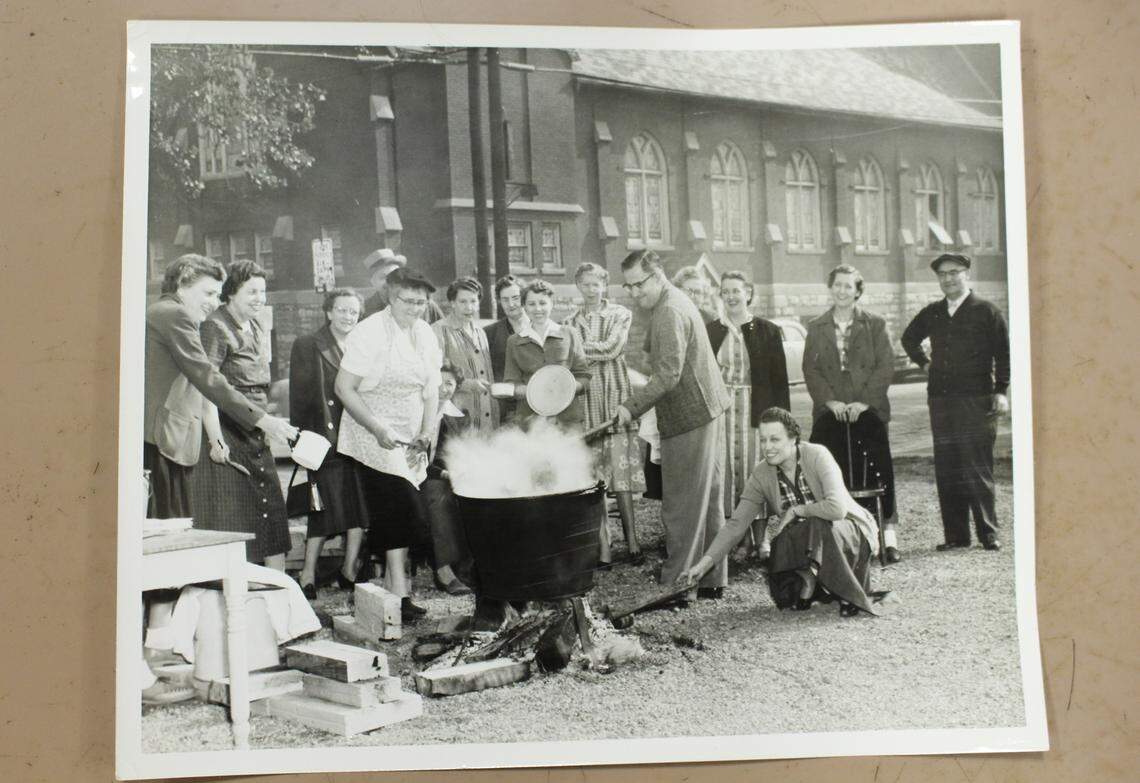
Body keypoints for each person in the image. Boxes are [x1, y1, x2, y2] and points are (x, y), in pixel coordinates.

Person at [142, 254, 298, 704]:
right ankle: (147, 664)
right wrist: (264, 422)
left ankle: (155, 653)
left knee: (166, 544)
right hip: (157, 444)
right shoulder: (172, 314)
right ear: (184, 283)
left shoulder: (172, 314)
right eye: (209, 293)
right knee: (161, 546)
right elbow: (207, 377)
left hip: (168, 441)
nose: (213, 302)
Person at [680, 408, 880, 617]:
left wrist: (797, 510)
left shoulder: (817, 455)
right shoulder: (761, 473)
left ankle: (848, 593)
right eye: (763, 440)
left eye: (775, 440)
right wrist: (702, 566)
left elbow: (837, 509)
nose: (767, 447)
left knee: (816, 524)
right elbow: (736, 524)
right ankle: (811, 578)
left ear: (793, 438)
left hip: (849, 530)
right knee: (784, 570)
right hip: (810, 540)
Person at [615, 250, 731, 601]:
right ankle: (710, 578)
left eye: (639, 284)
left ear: (657, 275)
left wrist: (630, 407)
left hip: (690, 414)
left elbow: (668, 373)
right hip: (707, 408)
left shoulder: (668, 309)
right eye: (628, 287)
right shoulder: (671, 302)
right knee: (707, 499)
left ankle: (677, 586)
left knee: (681, 503)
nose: (635, 293)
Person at [335, 267, 443, 622]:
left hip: (412, 436)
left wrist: (427, 433)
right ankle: (394, 588)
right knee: (405, 508)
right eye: (408, 301)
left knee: (398, 513)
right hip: (373, 432)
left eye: (422, 302)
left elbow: (432, 391)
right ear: (390, 297)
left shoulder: (425, 333)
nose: (415, 308)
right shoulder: (369, 332)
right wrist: (377, 427)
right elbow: (344, 388)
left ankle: (396, 591)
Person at [902, 253, 1010, 552]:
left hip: (976, 400)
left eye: (954, 272)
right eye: (942, 274)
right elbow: (908, 338)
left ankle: (988, 533)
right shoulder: (933, 312)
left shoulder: (987, 312)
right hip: (941, 400)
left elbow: (1003, 354)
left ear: (967, 275)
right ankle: (956, 536)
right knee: (948, 467)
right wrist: (925, 364)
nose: (948, 278)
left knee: (977, 465)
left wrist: (1001, 390)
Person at [191, 260, 292, 569]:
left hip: (255, 425)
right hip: (228, 426)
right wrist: (216, 441)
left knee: (271, 505)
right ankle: (241, 587)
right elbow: (206, 386)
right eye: (251, 292)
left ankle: (281, 588)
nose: (259, 298)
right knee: (237, 512)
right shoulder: (215, 327)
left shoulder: (258, 324)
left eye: (262, 291)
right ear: (231, 292)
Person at [803, 264, 901, 563]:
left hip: (867, 410)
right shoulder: (817, 326)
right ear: (830, 288)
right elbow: (812, 368)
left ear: (858, 291)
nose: (842, 291)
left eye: (848, 286)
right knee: (827, 466)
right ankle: (835, 533)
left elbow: (885, 366)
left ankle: (889, 534)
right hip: (831, 411)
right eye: (837, 285)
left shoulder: (875, 324)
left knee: (878, 467)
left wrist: (865, 403)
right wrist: (829, 402)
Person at [288, 288, 368, 599]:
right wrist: (303, 437)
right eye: (343, 310)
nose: (349, 316)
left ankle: (348, 570)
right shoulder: (309, 344)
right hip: (326, 438)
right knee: (321, 506)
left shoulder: (361, 346)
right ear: (329, 312)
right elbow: (301, 395)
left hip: (358, 435)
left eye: (354, 311)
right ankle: (307, 574)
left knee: (359, 505)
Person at [566, 262, 646, 566]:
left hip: (614, 402)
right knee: (596, 478)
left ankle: (634, 543)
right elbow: (573, 359)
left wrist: (577, 348)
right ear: (578, 286)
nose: (590, 290)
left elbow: (612, 348)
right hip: (587, 406)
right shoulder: (570, 320)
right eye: (584, 284)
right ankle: (604, 548)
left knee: (622, 477)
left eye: (595, 284)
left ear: (604, 285)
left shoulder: (619, 314)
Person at [706, 271, 790, 546]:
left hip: (758, 409)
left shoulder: (767, 330)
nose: (731, 296)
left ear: (749, 294)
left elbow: (779, 380)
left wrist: (782, 423)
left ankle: (761, 539)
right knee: (728, 472)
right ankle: (734, 538)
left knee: (758, 469)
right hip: (723, 411)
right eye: (726, 291)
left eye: (736, 291)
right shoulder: (713, 330)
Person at [499, 280, 592, 427]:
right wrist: (535, 391)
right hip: (531, 421)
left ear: (551, 304)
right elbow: (511, 383)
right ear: (524, 307)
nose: (538, 309)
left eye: (542, 303)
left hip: (568, 419)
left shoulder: (569, 334)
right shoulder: (514, 341)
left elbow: (584, 376)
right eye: (531, 304)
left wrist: (566, 388)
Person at [421, 362, 474, 595]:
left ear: (457, 387)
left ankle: (467, 568)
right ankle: (443, 571)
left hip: (449, 477)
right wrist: (444, 474)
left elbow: (464, 453)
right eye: (439, 383)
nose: (444, 389)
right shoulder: (418, 412)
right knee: (437, 495)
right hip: (417, 476)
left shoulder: (460, 417)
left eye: (450, 384)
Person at [432, 277, 499, 432]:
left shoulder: (480, 331)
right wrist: (465, 384)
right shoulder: (438, 331)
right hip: (456, 419)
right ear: (452, 303)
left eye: (473, 301)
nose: (469, 307)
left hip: (487, 419)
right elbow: (433, 376)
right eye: (463, 302)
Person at [483, 275, 529, 421]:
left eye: (515, 298)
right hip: (505, 410)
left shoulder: (541, 327)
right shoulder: (489, 333)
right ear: (498, 301)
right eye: (505, 299)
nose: (511, 304)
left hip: (539, 405)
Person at [361, 249, 444, 322]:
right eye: (383, 277)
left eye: (394, 275)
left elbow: (443, 331)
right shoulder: (364, 310)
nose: (389, 281)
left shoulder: (424, 304)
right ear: (373, 282)